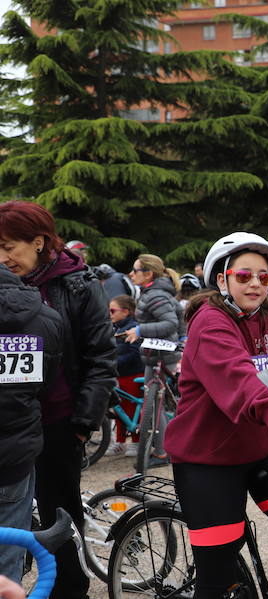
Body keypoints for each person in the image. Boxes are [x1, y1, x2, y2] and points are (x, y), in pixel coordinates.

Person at [164, 232, 268, 599]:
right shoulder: (209, 323)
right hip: (208, 461)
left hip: (258, 450)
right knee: (217, 576)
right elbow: (240, 378)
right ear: (222, 279)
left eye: (265, 277)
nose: (256, 283)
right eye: (244, 275)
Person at [0, 201, 116, 599]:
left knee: (59, 510)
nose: (2, 257)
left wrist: (84, 422)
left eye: (8, 246)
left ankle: (70, 586)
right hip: (10, 421)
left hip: (59, 420)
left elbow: (101, 357)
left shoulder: (79, 284)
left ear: (38, 242)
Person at [0, 264, 63, 582]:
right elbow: (47, 383)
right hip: (15, 452)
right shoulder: (46, 317)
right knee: (8, 556)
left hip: (17, 450)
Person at [124, 253, 183, 468]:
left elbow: (169, 322)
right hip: (157, 354)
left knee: (155, 405)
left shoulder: (155, 294)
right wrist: (183, 337)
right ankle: (163, 449)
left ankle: (162, 452)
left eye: (135, 270)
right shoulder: (157, 292)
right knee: (157, 404)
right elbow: (179, 315)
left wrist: (140, 329)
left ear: (148, 273)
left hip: (160, 355)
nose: (131, 274)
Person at [106, 295, 144, 457]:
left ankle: (136, 442)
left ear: (126, 312)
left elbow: (135, 354)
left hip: (133, 374)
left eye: (113, 310)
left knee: (131, 408)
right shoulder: (114, 327)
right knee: (118, 408)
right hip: (119, 374)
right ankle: (120, 442)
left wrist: (114, 363)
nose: (110, 313)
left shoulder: (132, 327)